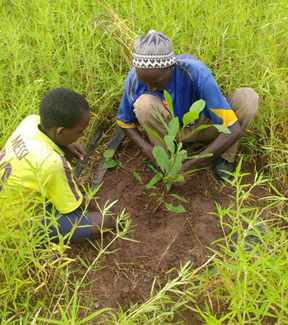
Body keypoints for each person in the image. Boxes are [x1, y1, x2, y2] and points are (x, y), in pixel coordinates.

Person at [117, 30, 259, 181]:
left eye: (157, 83)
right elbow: (124, 122)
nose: (151, 88)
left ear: (171, 67)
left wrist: (192, 165)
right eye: (145, 83)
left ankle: (225, 158)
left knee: (247, 98)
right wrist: (150, 151)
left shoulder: (197, 73)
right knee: (143, 104)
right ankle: (164, 155)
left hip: (203, 124)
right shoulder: (134, 78)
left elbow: (233, 129)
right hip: (167, 129)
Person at [0, 88, 115, 243]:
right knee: (104, 222)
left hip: (9, 201)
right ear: (60, 132)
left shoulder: (31, 122)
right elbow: (77, 204)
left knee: (65, 150)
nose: (81, 136)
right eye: (80, 132)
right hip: (14, 225)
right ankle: (40, 243)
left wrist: (69, 143)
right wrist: (104, 213)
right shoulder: (51, 163)